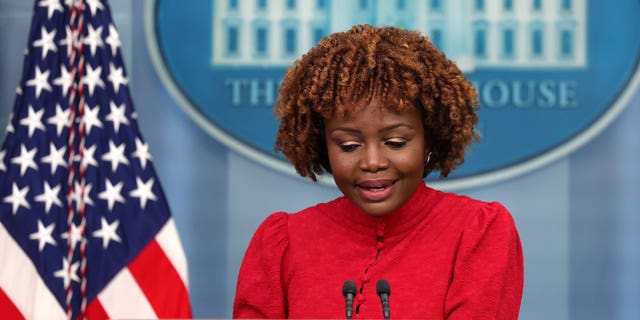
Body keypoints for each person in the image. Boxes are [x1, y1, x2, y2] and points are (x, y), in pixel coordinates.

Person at [233, 24, 523, 319]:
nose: (372, 162)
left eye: (396, 142)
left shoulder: (478, 232)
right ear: (323, 146)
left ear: (429, 142)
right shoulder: (281, 244)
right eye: (348, 145)